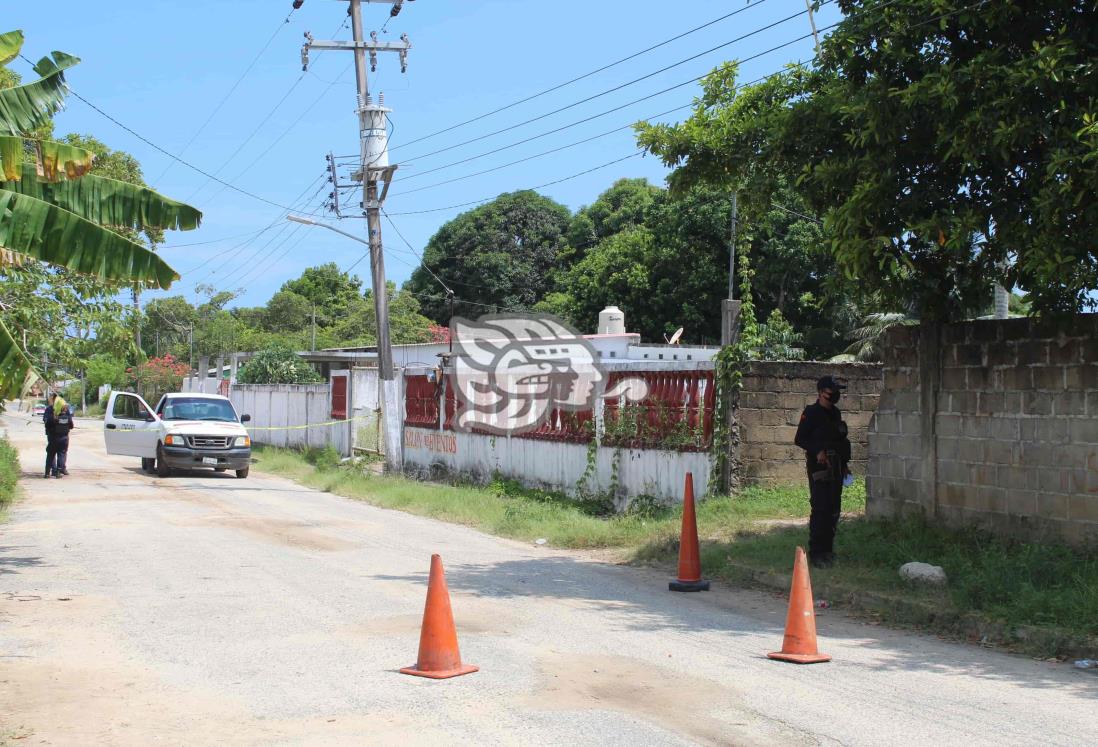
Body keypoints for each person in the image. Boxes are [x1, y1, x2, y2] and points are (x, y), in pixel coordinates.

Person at [794, 376, 851, 569]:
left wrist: (844, 464)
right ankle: (817, 553)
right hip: (819, 468)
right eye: (831, 390)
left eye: (837, 391)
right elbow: (800, 439)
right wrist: (817, 451)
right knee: (820, 509)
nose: (835, 394)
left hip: (836, 466)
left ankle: (828, 551)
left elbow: (839, 440)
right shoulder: (811, 413)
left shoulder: (835, 413)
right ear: (821, 392)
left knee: (834, 510)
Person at [43, 393, 75, 479]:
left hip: (53, 437)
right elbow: (71, 425)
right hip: (63, 438)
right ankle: (57, 472)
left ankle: (47, 473)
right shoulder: (64, 414)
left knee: (51, 454)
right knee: (61, 454)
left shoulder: (52, 417)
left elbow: (47, 424)